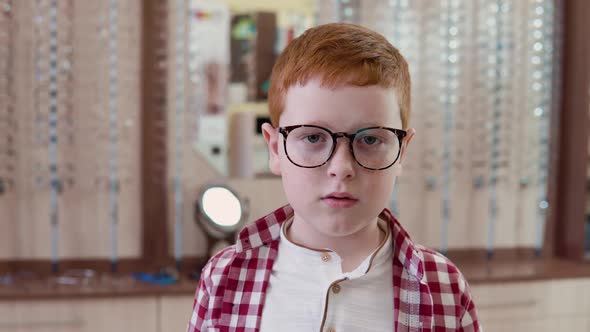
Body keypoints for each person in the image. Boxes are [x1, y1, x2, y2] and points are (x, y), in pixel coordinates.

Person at [187, 22, 481, 332]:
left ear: (401, 152)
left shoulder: (443, 287)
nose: (341, 168)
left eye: (370, 140)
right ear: (275, 149)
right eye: (313, 138)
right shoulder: (223, 277)